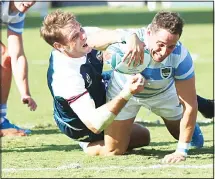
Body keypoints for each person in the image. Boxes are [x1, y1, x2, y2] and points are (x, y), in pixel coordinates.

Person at [103, 11, 212, 163]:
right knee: (113, 150)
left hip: (164, 94)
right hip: (125, 91)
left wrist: (181, 151)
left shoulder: (181, 56)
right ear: (148, 33)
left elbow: (190, 105)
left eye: (171, 46)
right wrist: (126, 38)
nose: (164, 52)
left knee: (195, 144)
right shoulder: (130, 38)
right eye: (160, 44)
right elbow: (93, 40)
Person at [40, 10, 150, 156]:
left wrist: (131, 37)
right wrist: (127, 91)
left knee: (144, 136)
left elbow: (117, 35)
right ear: (60, 46)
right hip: (79, 123)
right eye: (74, 36)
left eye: (80, 28)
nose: (83, 35)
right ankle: (87, 145)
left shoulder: (84, 36)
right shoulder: (65, 77)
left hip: (95, 87)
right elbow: (95, 124)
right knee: (115, 150)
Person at [0, 1, 37, 137]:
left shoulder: (17, 13)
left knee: (6, 57)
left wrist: (25, 93)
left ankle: (1, 120)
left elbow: (18, 55)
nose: (30, 2)